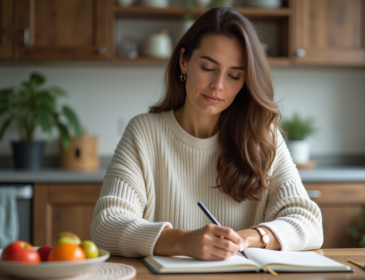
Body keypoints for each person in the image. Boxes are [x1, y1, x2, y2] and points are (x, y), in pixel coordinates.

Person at [91, 7, 323, 261]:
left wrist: (248, 238)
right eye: (208, 67)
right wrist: (182, 241)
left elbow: (309, 224)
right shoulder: (144, 133)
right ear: (183, 61)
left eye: (234, 75)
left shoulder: (261, 137)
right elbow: (106, 225)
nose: (218, 85)